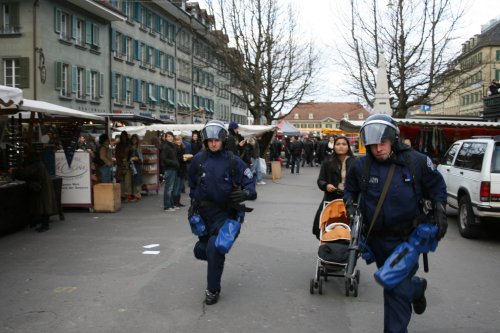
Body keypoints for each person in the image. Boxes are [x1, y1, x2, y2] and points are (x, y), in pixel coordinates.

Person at [343, 114, 448, 333]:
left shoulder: (416, 161)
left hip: (407, 240)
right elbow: (350, 189)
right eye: (372, 144)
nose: (377, 148)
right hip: (376, 239)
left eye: (382, 143)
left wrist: (439, 208)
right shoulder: (360, 165)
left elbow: (437, 185)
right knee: (394, 285)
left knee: (395, 290)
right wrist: (350, 205)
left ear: (393, 139)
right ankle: (417, 288)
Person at [187, 120, 257, 305]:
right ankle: (214, 260)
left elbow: (250, 182)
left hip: (226, 215)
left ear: (223, 140)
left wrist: (245, 193)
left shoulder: (233, 161)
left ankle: (212, 290)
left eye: (216, 140)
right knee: (201, 250)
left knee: (215, 248)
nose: (213, 143)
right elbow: (192, 183)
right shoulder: (198, 160)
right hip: (203, 215)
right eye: (210, 140)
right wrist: (195, 202)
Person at [312, 136, 356, 239]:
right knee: (326, 226)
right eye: (338, 144)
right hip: (330, 199)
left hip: (349, 200)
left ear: (348, 147)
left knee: (348, 228)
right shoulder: (328, 161)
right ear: (334, 146)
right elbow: (320, 180)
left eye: (344, 144)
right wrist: (326, 185)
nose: (341, 146)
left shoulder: (355, 162)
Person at [12, 149, 58, 232]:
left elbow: (25, 174)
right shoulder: (39, 164)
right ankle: (44, 224)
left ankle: (45, 225)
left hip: (42, 188)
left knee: (44, 206)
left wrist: (15, 172)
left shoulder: (36, 165)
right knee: (44, 206)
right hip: (44, 186)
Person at [160, 131, 179, 212]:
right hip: (169, 169)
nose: (170, 138)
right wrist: (174, 163)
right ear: (165, 138)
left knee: (172, 188)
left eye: (171, 136)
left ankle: (171, 205)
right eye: (168, 136)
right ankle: (167, 206)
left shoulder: (172, 146)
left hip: (173, 168)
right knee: (168, 188)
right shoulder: (165, 146)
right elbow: (163, 159)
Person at [115, 131, 135, 202]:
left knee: (127, 181)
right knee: (121, 180)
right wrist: (119, 162)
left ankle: (127, 195)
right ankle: (122, 195)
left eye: (124, 136)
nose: (123, 138)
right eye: (122, 136)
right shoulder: (119, 145)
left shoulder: (129, 145)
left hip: (127, 164)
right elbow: (117, 155)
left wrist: (128, 160)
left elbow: (132, 154)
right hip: (120, 164)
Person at [173, 135, 187, 208]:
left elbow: (183, 157)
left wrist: (186, 159)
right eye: (177, 140)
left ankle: (178, 202)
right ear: (175, 141)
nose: (178, 141)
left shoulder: (182, 147)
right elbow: (176, 159)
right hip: (178, 169)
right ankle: (175, 203)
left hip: (182, 169)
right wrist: (183, 159)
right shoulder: (175, 148)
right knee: (177, 187)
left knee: (180, 186)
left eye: (180, 140)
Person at [129, 134, 143, 200]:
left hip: (137, 165)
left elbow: (141, 159)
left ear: (137, 140)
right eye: (133, 139)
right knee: (133, 180)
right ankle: (135, 195)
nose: (134, 140)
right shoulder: (131, 147)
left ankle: (137, 195)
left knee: (137, 180)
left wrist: (135, 158)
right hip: (132, 165)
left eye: (135, 139)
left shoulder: (138, 148)